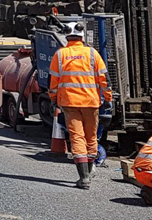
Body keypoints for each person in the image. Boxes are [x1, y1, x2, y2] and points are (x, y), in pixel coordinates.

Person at [48, 20, 113, 189]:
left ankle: (84, 178)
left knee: (77, 137)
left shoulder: (60, 55)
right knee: (91, 137)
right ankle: (89, 172)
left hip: (69, 102)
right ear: (82, 36)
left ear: (67, 36)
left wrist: (54, 99)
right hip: (91, 102)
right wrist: (108, 98)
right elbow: (104, 79)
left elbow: (53, 81)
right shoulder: (92, 54)